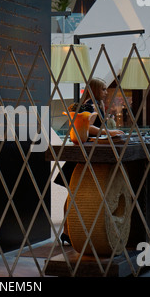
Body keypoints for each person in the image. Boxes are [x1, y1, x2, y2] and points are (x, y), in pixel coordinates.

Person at [54, 78, 124, 245]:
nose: (107, 92)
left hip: (87, 153)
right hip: (83, 154)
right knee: (72, 192)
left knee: (73, 193)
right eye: (104, 89)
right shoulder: (90, 105)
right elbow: (87, 126)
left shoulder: (95, 105)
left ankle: (68, 231)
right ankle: (67, 231)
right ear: (95, 90)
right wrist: (108, 132)